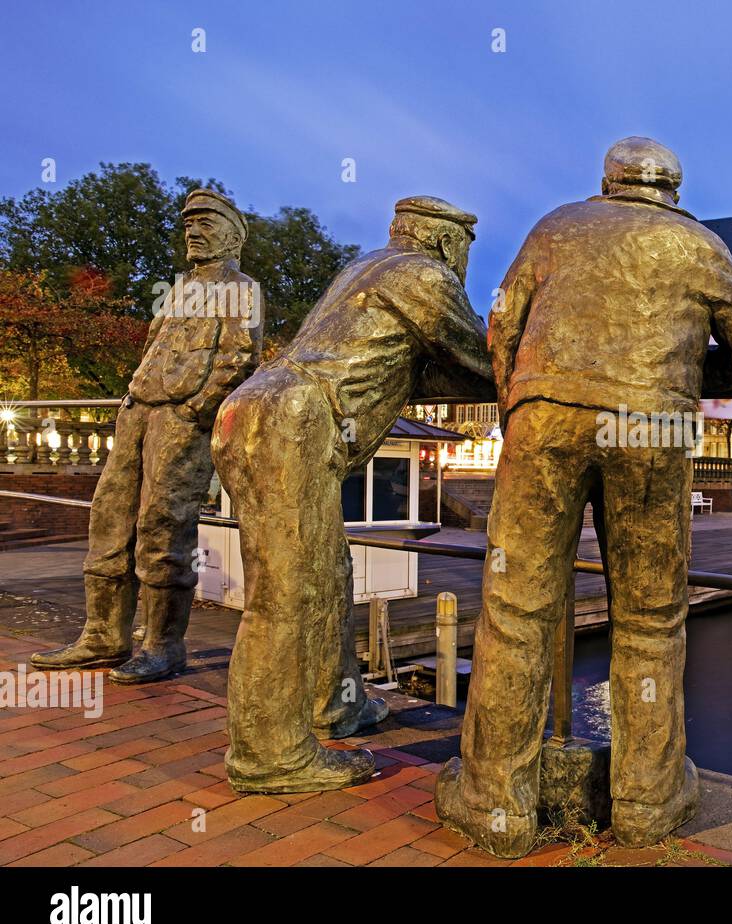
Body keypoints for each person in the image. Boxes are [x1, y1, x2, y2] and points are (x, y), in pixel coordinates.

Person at [435, 137, 732, 856]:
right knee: (651, 616)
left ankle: (495, 803)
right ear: (671, 192)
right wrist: (677, 378)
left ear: (607, 184)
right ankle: (649, 801)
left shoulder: (555, 226)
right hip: (651, 427)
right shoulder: (700, 244)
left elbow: (500, 327)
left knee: (515, 608)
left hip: (545, 418)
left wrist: (518, 405)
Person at [211, 196, 492, 793]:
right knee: (285, 591)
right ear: (448, 243)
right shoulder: (425, 274)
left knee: (329, 572)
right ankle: (268, 755)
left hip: (260, 406)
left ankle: (336, 703)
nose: (465, 263)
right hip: (298, 418)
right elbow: (481, 365)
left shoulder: (365, 267)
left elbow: (411, 364)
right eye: (466, 249)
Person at [31, 189, 261, 684]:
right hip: (138, 410)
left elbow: (242, 357)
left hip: (179, 419)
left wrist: (196, 409)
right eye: (187, 224)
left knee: (163, 524)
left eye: (204, 223)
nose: (193, 232)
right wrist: (132, 402)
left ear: (233, 235)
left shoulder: (242, 289)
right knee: (109, 517)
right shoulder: (179, 288)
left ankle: (163, 645)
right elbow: (156, 347)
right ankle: (103, 635)